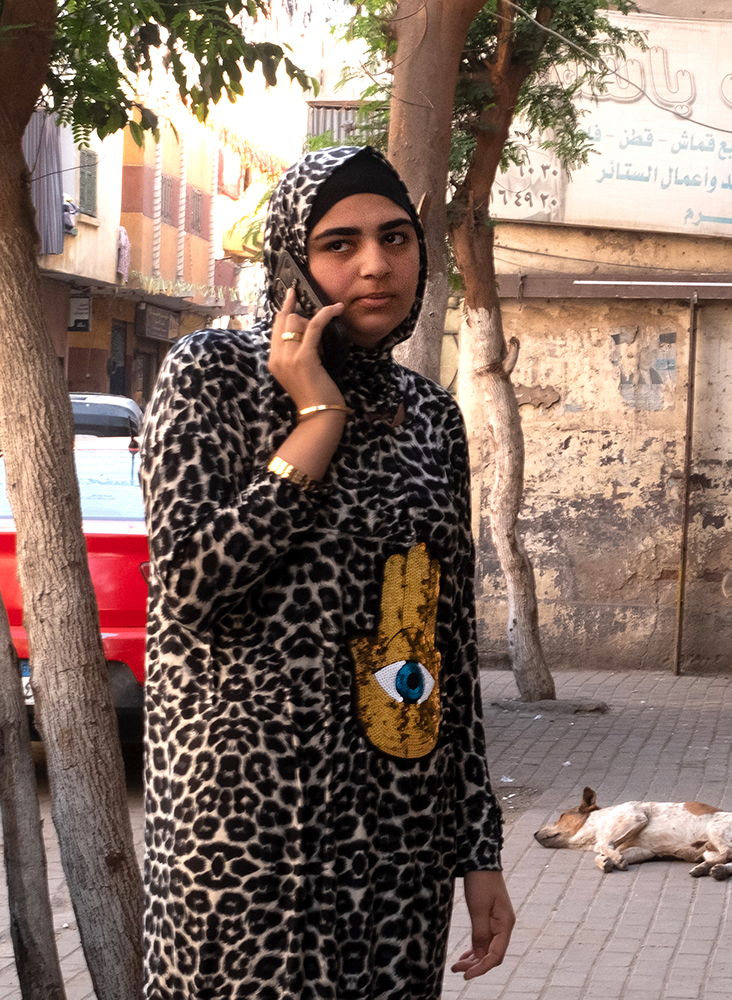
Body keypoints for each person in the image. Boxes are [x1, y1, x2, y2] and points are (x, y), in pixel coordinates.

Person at [140, 147, 514, 1000]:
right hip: (244, 831)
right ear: (292, 261)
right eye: (339, 243)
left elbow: (443, 645)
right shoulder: (213, 376)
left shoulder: (430, 418)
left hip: (397, 833)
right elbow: (194, 586)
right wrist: (316, 418)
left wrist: (478, 850)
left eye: (396, 238)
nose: (375, 264)